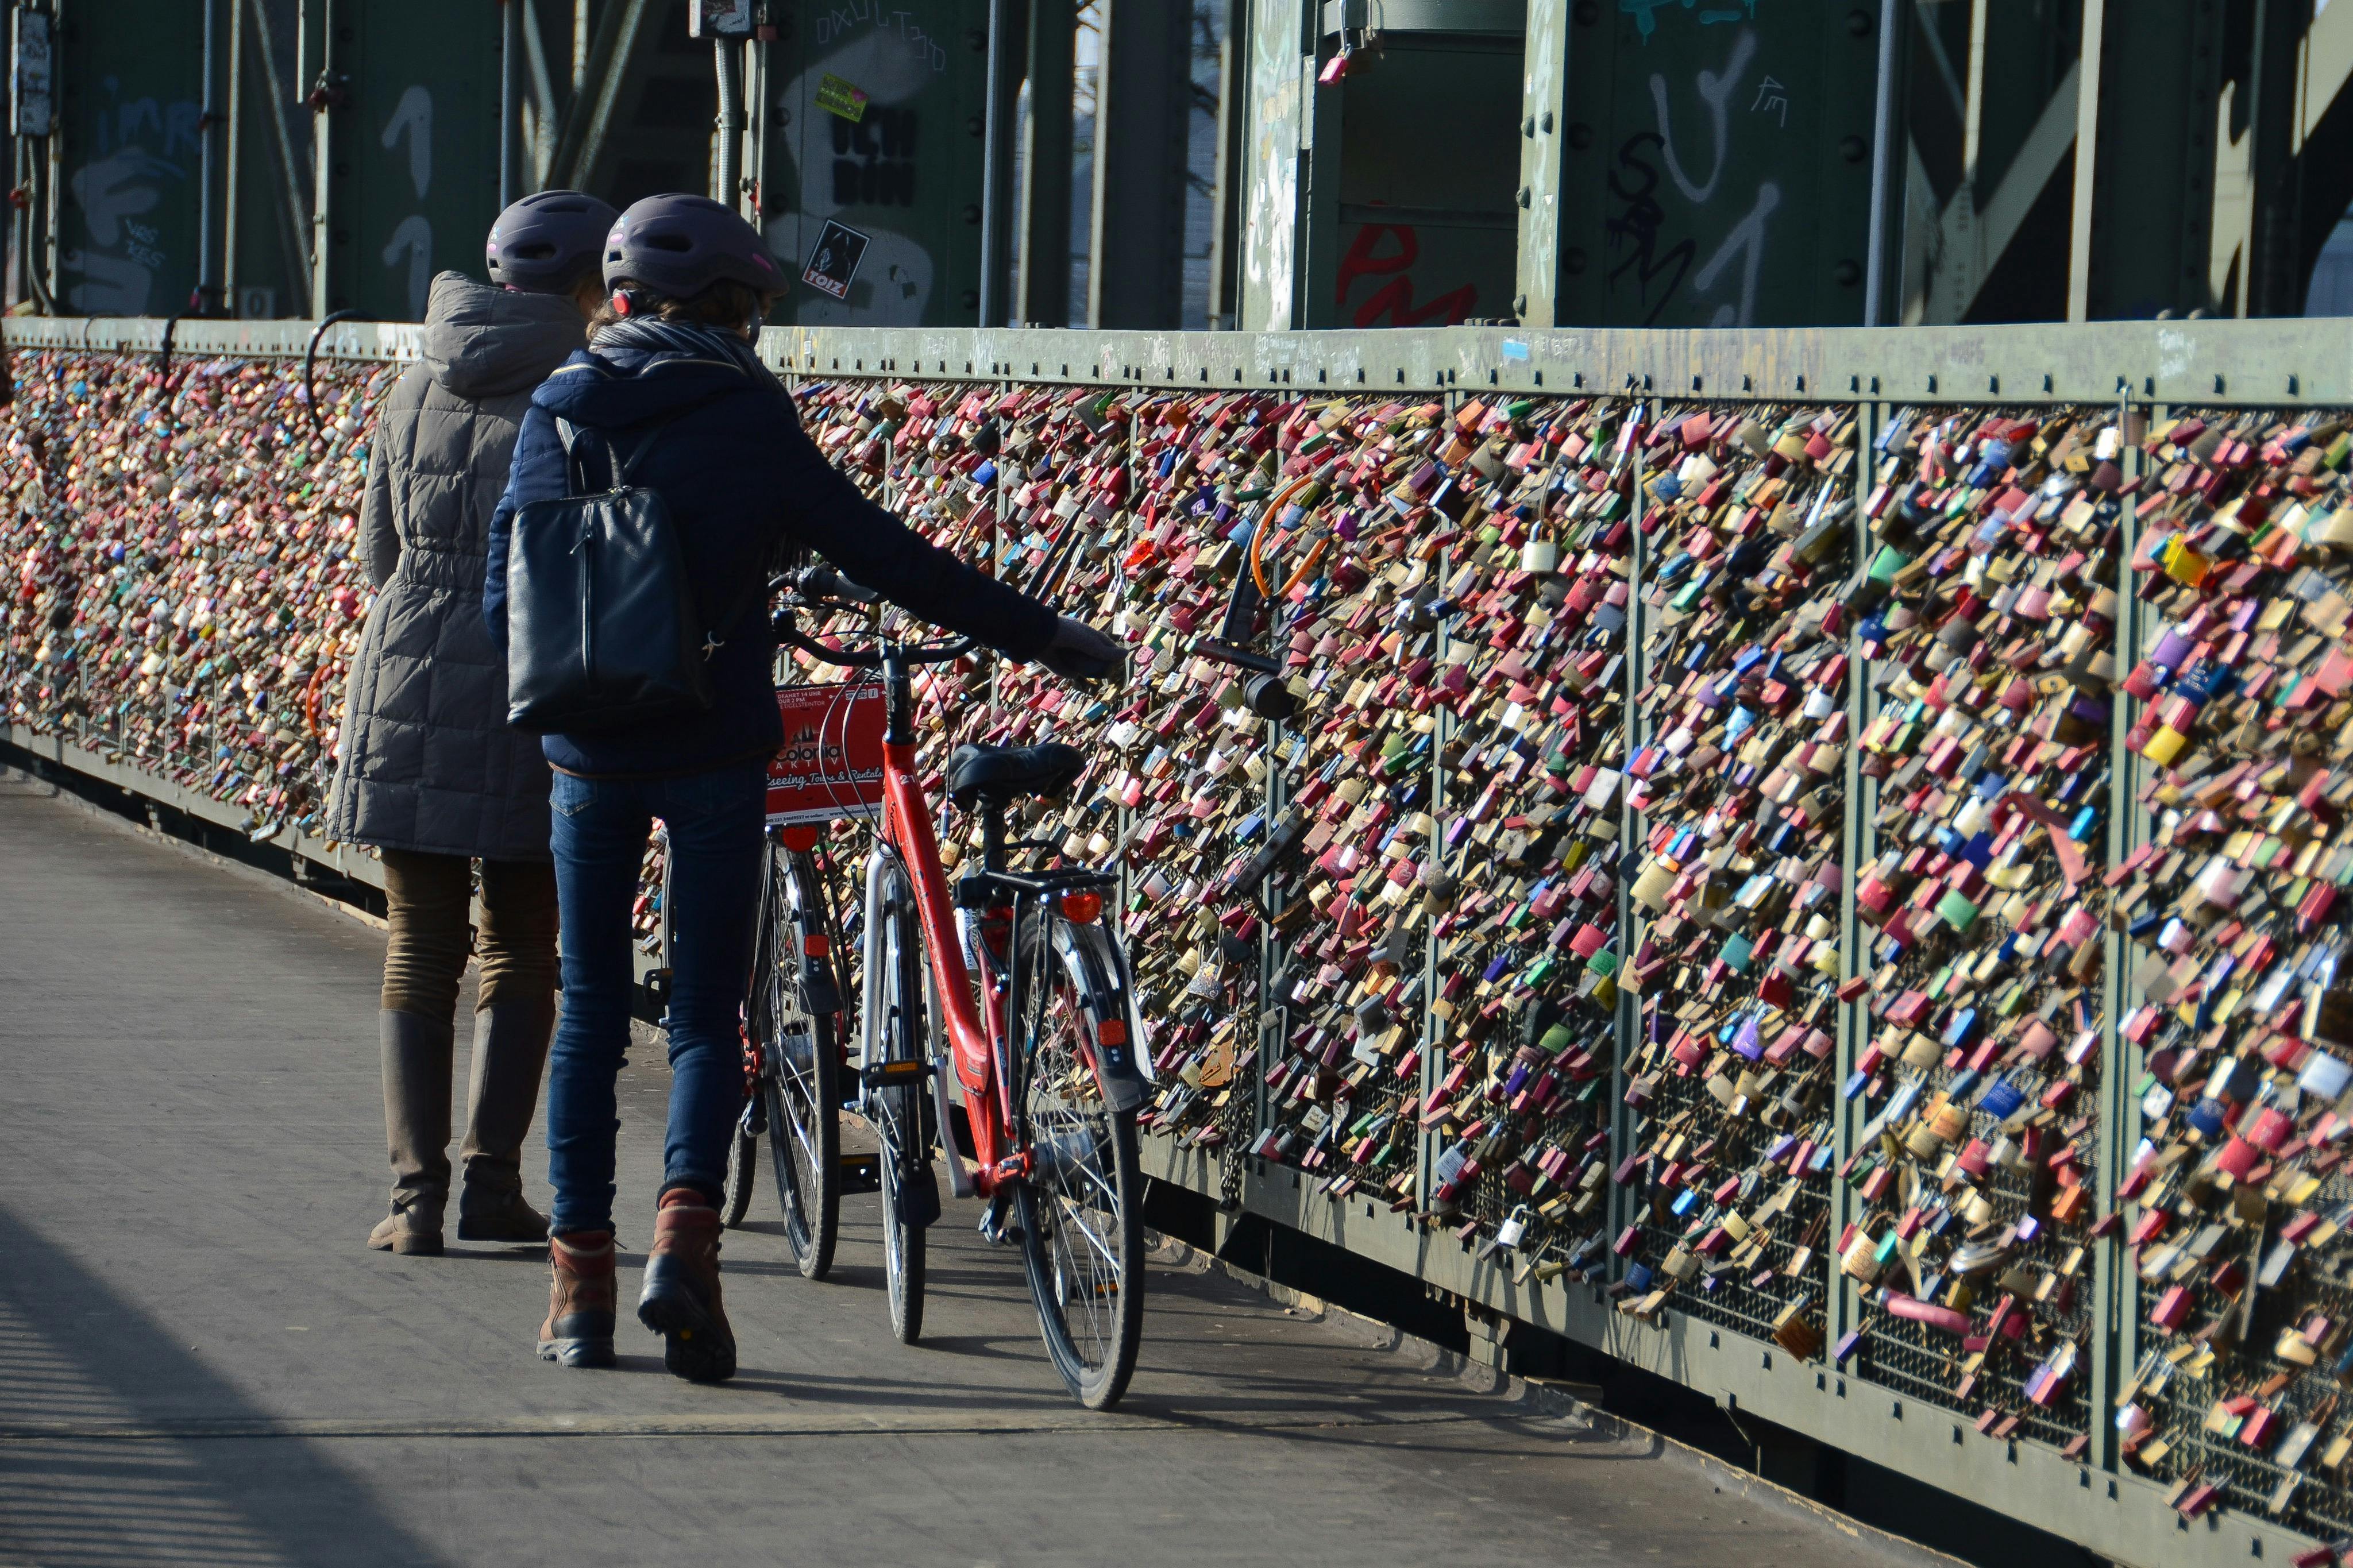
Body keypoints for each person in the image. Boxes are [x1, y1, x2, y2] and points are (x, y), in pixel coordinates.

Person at [484, 194, 1121, 1383]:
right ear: (733, 306)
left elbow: (501, 595)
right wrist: (1045, 636)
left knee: (584, 1009)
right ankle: (686, 1242)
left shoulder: (561, 408)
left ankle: (579, 1293)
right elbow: (888, 555)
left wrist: (570, 703)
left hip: (585, 758)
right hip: (718, 746)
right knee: (704, 1015)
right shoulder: (746, 415)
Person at [329, 190, 620, 1256]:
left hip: (406, 677)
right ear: (590, 283)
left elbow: (378, 557)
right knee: (521, 951)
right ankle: (492, 1185)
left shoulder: (414, 381)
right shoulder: (587, 386)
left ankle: (413, 1204)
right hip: (538, 680)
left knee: (419, 951)